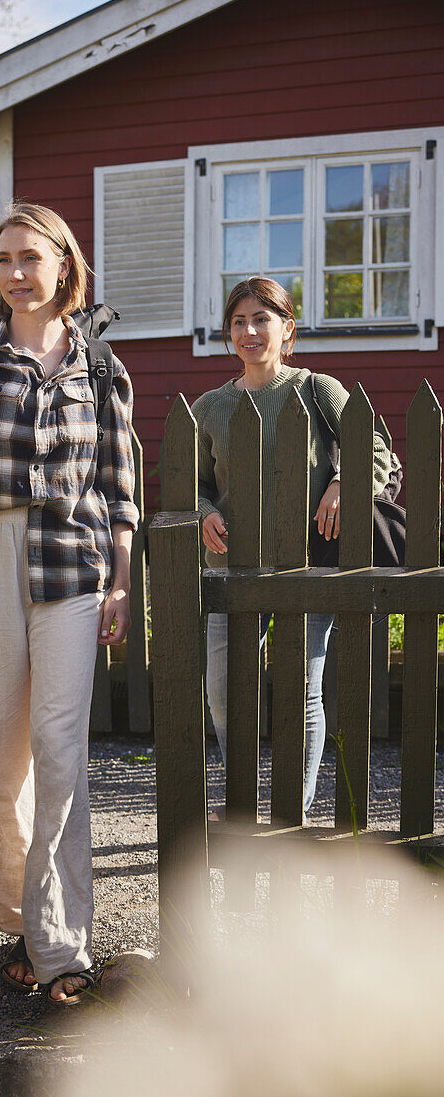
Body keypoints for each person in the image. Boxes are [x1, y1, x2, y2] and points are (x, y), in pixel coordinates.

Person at [0, 202, 138, 1005]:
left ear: (63, 268)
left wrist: (121, 579)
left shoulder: (103, 369)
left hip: (74, 567)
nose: (14, 273)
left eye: (29, 258)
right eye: (4, 260)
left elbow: (120, 487)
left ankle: (59, 950)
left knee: (62, 752)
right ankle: (15, 916)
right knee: (0, 753)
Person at [190, 277, 392, 818]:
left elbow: (375, 448)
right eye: (238, 321)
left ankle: (291, 810)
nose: (249, 331)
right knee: (224, 693)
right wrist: (204, 511)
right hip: (231, 572)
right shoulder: (211, 407)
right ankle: (240, 806)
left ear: (287, 329)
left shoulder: (317, 389)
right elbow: (192, 482)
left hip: (308, 568)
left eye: (262, 319)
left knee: (302, 692)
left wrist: (342, 482)